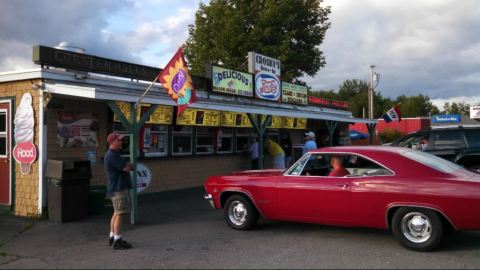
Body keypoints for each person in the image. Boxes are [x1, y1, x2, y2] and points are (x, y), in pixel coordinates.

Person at [104, 132, 133, 250]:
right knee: (120, 213)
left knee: (116, 212)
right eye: (119, 140)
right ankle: (117, 240)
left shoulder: (115, 154)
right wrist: (128, 165)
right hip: (118, 188)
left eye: (121, 140)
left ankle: (112, 236)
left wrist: (128, 166)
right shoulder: (112, 155)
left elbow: (127, 167)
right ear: (112, 142)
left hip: (116, 187)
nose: (121, 142)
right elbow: (126, 168)